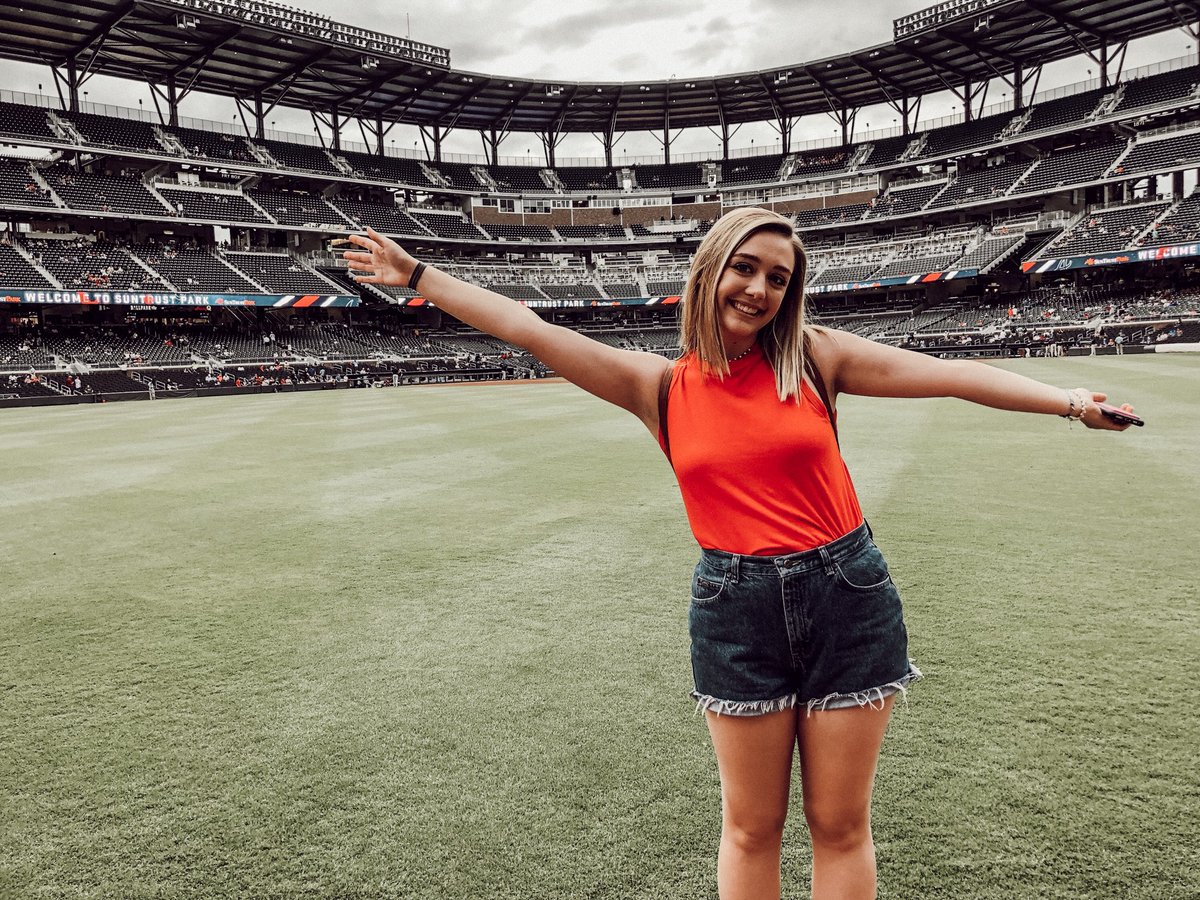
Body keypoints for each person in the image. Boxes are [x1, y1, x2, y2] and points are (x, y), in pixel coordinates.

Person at [341, 208, 1136, 900]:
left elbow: (950, 374)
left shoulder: (816, 358)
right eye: (745, 268)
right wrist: (417, 275)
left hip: (848, 593)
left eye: (779, 279)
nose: (759, 290)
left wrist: (1071, 403)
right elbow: (530, 329)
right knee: (752, 829)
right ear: (710, 270)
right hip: (735, 607)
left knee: (840, 825)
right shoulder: (657, 385)